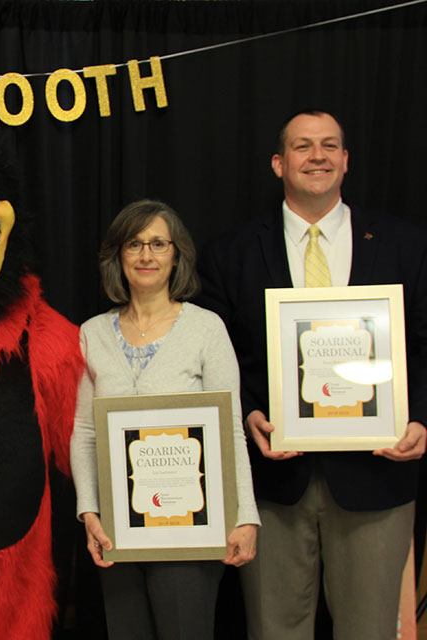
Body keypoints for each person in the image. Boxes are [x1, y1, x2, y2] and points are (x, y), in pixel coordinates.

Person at [196, 109, 427, 639]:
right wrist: (249, 412)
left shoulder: (404, 245)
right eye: (302, 146)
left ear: (346, 161)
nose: (316, 156)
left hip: (377, 475)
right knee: (274, 629)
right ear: (279, 163)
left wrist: (422, 420)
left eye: (329, 145)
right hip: (274, 481)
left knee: (369, 630)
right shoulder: (231, 253)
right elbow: (217, 357)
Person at [70, 200, 259, 640]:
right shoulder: (91, 333)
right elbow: (84, 432)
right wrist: (90, 512)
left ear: (177, 254)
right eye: (134, 244)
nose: (146, 255)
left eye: (158, 243)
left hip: (192, 528)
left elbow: (230, 428)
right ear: (118, 255)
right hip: (118, 529)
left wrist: (245, 516)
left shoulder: (206, 328)